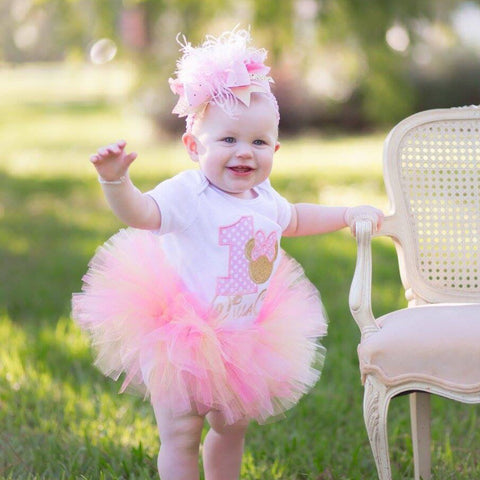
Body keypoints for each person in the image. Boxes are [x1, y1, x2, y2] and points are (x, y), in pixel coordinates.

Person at [73, 28, 383, 480]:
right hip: (181, 338)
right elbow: (141, 214)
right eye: (228, 141)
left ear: (275, 149)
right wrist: (116, 183)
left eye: (258, 143)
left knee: (231, 428)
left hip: (245, 338)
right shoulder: (188, 193)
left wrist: (345, 213)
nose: (244, 153)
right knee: (181, 434)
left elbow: (296, 218)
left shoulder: (264, 198)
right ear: (193, 146)